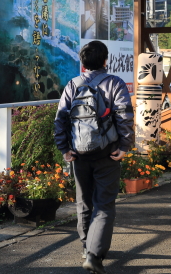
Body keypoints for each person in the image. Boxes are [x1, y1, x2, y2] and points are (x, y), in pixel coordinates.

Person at [54, 40, 135, 274]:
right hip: (107, 153)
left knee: (84, 202)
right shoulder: (114, 83)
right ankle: (93, 255)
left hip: (78, 153)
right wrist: (125, 145)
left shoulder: (73, 84)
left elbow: (60, 119)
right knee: (105, 205)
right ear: (105, 60)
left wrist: (64, 149)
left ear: (82, 62)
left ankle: (85, 247)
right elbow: (124, 116)